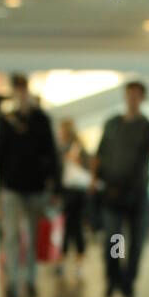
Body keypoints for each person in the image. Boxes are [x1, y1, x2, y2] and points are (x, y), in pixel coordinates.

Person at [90, 81, 149, 297]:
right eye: (129, 95)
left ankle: (128, 281)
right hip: (113, 193)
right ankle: (113, 278)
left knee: (136, 242)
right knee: (115, 238)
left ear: (142, 98)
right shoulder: (113, 124)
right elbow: (99, 154)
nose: (132, 99)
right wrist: (95, 180)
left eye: (136, 95)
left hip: (138, 194)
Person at [0, 73, 60, 297]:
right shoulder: (6, 122)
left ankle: (30, 279)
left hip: (36, 188)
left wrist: (55, 186)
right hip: (12, 187)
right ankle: (12, 282)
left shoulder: (41, 120)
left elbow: (52, 154)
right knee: (12, 235)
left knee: (33, 234)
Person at [56, 118, 89, 282]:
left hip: (76, 193)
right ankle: (68, 263)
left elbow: (86, 165)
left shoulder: (76, 148)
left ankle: (75, 264)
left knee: (74, 228)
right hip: (71, 192)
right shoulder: (65, 148)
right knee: (69, 228)